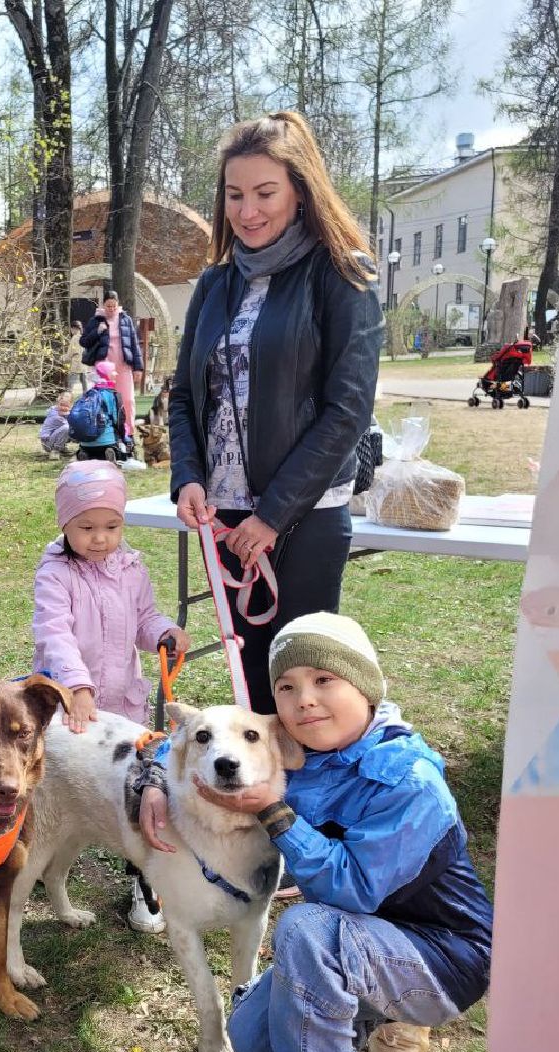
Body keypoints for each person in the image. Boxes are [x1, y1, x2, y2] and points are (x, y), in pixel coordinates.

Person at [137, 613, 493, 1052]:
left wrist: (275, 812)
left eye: (324, 679)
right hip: (361, 940)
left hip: (441, 955)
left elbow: (352, 891)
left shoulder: (409, 779)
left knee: (307, 930)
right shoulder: (303, 750)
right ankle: (361, 1014)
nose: (305, 700)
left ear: (365, 685)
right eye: (286, 687)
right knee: (251, 1036)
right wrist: (156, 779)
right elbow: (192, 739)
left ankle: (382, 1027)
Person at [169, 110, 381, 715]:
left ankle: (312, 799)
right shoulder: (215, 284)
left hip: (305, 514)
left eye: (265, 192)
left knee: (307, 680)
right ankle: (261, 805)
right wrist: (187, 474)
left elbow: (348, 410)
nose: (248, 211)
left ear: (301, 190)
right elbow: (184, 394)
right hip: (227, 514)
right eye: (235, 195)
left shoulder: (342, 274)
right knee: (253, 678)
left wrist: (273, 513)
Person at [32, 459, 191, 933]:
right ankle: (42, 856)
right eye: (86, 527)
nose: (100, 538)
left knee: (139, 790)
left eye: (112, 526)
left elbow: (144, 618)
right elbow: (54, 633)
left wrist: (162, 630)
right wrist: (76, 687)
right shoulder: (55, 573)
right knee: (63, 787)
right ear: (65, 523)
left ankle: (145, 882)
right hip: (72, 706)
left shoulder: (130, 568)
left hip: (124, 705)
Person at [81, 291, 142, 442]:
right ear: (103, 305)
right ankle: (103, 433)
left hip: (123, 365)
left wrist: (138, 367)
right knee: (103, 400)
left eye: (114, 306)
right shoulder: (95, 320)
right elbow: (84, 342)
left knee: (127, 400)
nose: (111, 309)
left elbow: (134, 344)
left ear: (118, 304)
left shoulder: (125, 319)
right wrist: (97, 331)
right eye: (108, 306)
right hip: (103, 367)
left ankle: (129, 433)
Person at [38, 391, 74, 458]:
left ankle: (61, 447)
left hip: (52, 438)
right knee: (67, 428)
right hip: (47, 443)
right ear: (57, 403)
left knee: (69, 429)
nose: (63, 407)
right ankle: (55, 450)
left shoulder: (65, 413)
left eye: (66, 406)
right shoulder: (54, 415)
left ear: (71, 405)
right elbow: (71, 426)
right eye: (61, 405)